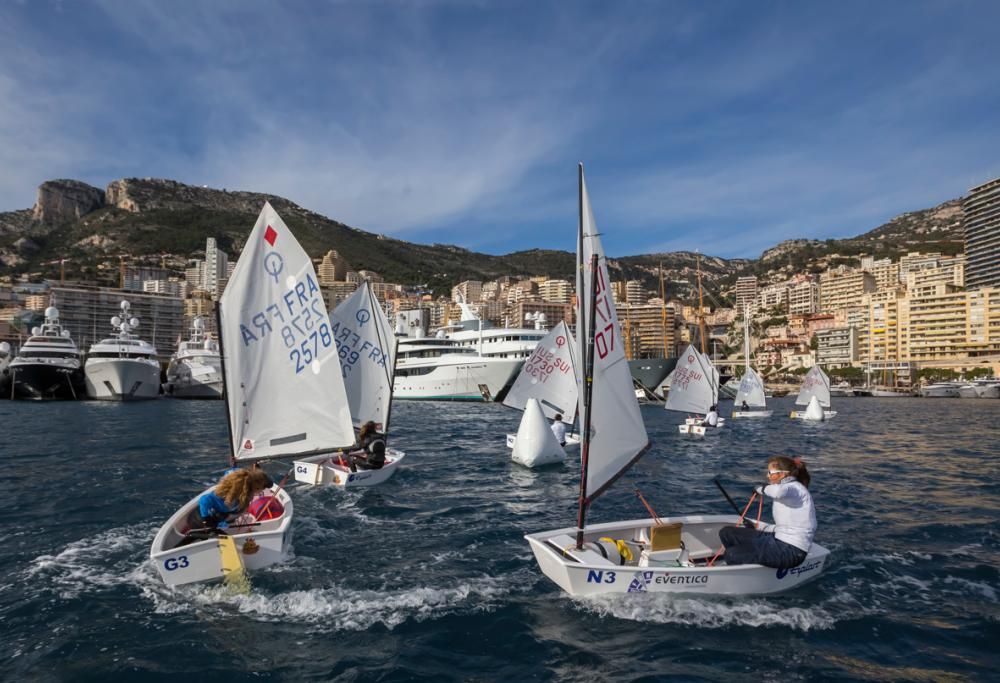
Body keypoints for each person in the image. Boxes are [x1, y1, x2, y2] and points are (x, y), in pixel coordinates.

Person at [718, 456, 816, 568]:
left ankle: (738, 565)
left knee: (732, 554)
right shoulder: (788, 491)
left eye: (770, 472)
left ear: (783, 474)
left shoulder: (794, 488)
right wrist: (760, 527)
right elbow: (785, 527)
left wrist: (760, 489)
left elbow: (778, 492)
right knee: (727, 533)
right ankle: (744, 563)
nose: (767, 475)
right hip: (777, 540)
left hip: (792, 551)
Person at [179, 468, 274, 545]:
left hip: (217, 521)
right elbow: (204, 499)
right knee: (225, 539)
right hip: (199, 520)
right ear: (254, 487)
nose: (263, 491)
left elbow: (236, 471)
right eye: (262, 488)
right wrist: (207, 521)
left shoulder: (245, 486)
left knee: (217, 535)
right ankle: (191, 538)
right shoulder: (229, 496)